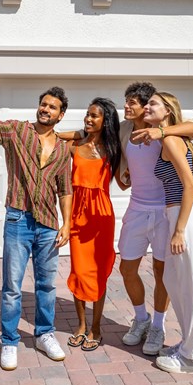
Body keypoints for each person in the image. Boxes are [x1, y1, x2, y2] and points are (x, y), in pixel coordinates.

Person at [61, 82, 193, 356]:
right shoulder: (124, 129)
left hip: (164, 211)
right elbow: (89, 132)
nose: (125, 107)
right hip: (137, 208)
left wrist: (161, 130)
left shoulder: (165, 133)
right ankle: (141, 319)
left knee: (161, 272)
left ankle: (158, 326)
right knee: (127, 269)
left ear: (146, 106)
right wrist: (56, 134)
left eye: (132, 103)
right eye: (125, 102)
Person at [0, 79, 72, 371]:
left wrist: (67, 224)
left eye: (52, 107)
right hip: (18, 219)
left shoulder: (64, 149)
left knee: (46, 285)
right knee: (12, 287)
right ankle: (10, 341)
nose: (46, 109)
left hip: (49, 224)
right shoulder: (18, 131)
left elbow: (65, 189)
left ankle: (44, 334)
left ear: (60, 114)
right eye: (43, 104)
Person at [143, 91, 193, 375]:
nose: (147, 106)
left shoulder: (170, 139)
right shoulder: (169, 138)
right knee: (174, 280)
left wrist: (179, 230)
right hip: (178, 215)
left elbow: (189, 186)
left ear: (167, 111)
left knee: (190, 287)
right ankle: (187, 344)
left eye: (153, 104)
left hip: (186, 217)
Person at [66, 98, 123, 352]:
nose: (88, 119)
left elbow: (124, 181)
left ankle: (96, 327)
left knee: (98, 273)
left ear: (106, 120)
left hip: (101, 217)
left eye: (94, 116)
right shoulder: (74, 143)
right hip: (78, 215)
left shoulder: (113, 149)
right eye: (87, 115)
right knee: (79, 271)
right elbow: (54, 134)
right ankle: (80, 325)